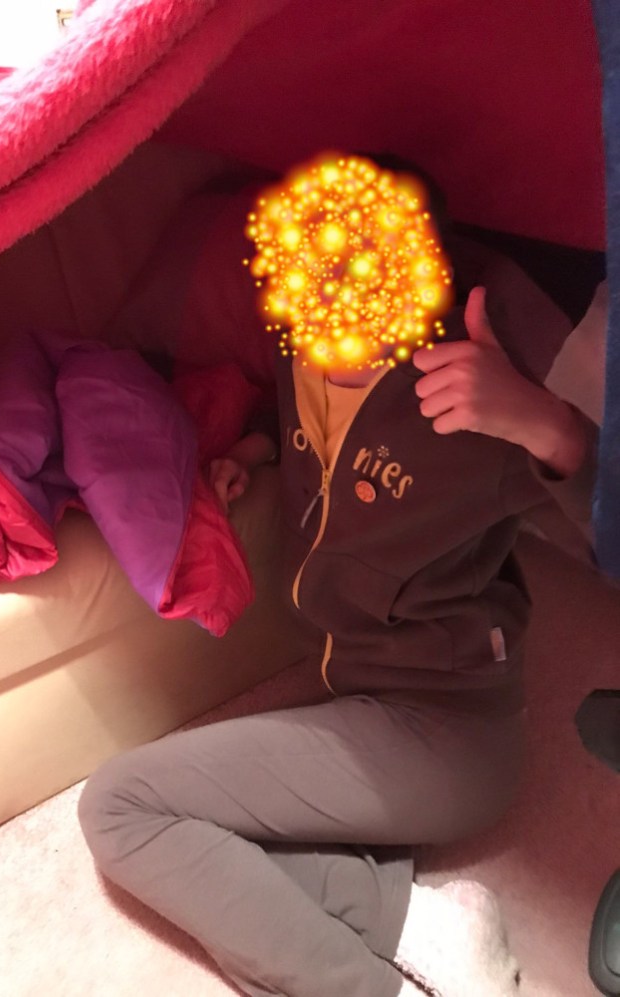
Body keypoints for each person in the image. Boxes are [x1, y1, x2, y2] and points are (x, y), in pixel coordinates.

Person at [77, 161, 597, 996]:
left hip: (449, 729)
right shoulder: (301, 352)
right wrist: (256, 448)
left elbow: (602, 515)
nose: (335, 343)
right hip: (356, 695)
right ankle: (423, 919)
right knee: (199, 824)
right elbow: (319, 439)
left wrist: (547, 422)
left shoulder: (465, 399)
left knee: (121, 805)